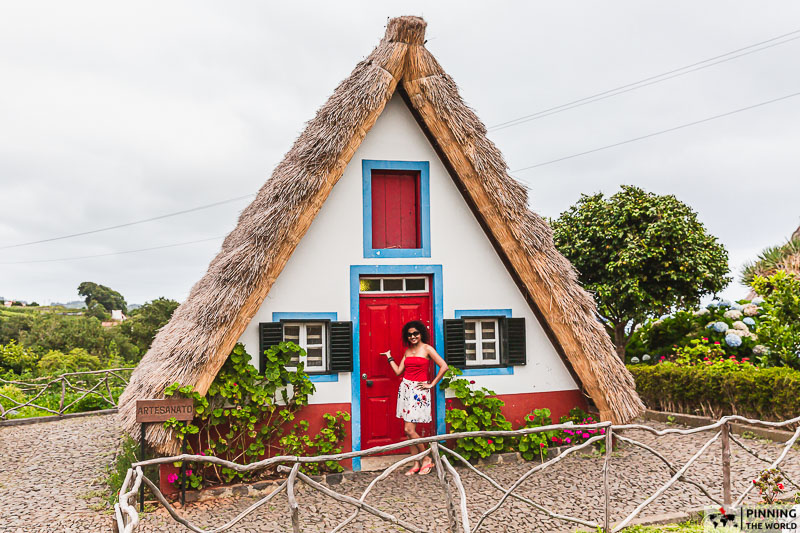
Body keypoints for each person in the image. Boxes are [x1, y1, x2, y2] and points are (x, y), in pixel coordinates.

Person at [381, 320, 448, 475]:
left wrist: (431, 384)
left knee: (409, 429)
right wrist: (390, 357)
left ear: (421, 334)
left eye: (415, 333)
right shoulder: (407, 351)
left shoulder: (427, 349)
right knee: (409, 431)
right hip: (405, 390)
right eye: (410, 334)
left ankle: (426, 458)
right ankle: (416, 463)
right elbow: (398, 371)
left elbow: (444, 366)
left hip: (418, 391)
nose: (413, 336)